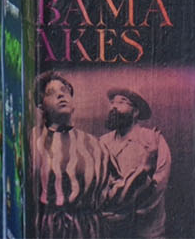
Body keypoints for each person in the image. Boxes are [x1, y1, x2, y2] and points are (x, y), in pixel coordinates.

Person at [30, 71, 123, 239]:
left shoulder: (95, 145)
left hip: (91, 229)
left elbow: (118, 186)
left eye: (64, 91)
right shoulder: (32, 141)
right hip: (50, 229)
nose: (60, 95)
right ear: (41, 105)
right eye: (51, 93)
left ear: (73, 103)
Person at [98, 88, 171, 238]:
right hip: (110, 229)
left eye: (122, 102)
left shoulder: (153, 139)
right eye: (112, 103)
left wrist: (129, 210)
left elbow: (159, 183)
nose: (114, 106)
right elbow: (98, 183)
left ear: (136, 112)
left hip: (146, 230)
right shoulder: (102, 142)